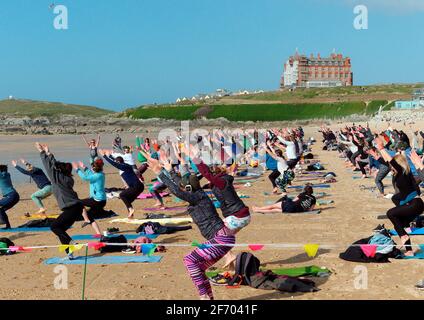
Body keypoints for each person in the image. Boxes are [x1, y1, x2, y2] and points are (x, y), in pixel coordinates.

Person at [145, 152, 234, 300]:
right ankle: (209, 297)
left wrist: (160, 173)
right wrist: (169, 171)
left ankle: (204, 296)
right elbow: (181, 184)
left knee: (189, 260)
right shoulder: (197, 193)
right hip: (223, 237)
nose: (183, 188)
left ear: (188, 188)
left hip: (222, 238)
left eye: (185, 187)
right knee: (199, 268)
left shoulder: (197, 197)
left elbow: (177, 191)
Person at [375, 136, 423, 257]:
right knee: (400, 223)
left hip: (414, 204)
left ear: (398, 164)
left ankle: (403, 235)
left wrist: (381, 148)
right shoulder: (404, 174)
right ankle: (409, 250)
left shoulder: (402, 171)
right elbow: (387, 161)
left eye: (393, 166)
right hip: (415, 205)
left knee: (390, 213)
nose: (391, 168)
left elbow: (390, 161)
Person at [36, 142, 82, 259]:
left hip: (71, 208)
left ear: (60, 171)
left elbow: (49, 167)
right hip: (76, 208)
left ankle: (71, 242)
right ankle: (69, 254)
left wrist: (42, 152)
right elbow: (55, 166)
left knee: (54, 227)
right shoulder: (67, 178)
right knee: (60, 229)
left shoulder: (58, 179)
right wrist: (49, 152)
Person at [101, 150, 144, 219]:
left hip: (136, 186)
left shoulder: (123, 167)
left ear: (119, 163)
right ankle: (131, 215)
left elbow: (114, 163)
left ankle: (131, 210)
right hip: (139, 186)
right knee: (127, 200)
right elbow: (115, 161)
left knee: (122, 195)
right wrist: (109, 155)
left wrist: (104, 156)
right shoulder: (126, 165)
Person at [74, 159, 105, 235]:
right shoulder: (100, 174)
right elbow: (91, 175)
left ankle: (86, 220)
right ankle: (98, 233)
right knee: (89, 216)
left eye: (92, 168)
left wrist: (77, 170)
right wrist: (84, 167)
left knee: (79, 202)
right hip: (100, 200)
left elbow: (85, 178)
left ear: (95, 168)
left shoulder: (98, 176)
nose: (91, 169)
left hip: (98, 201)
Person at [0, 164, 20, 229]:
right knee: (1, 210)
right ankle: (8, 226)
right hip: (15, 196)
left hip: (11, 195)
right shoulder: (7, 174)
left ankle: (2, 221)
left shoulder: (2, 176)